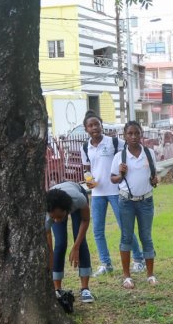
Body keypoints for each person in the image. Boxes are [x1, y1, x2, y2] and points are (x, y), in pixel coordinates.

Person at [80, 110, 145, 277]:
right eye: (90, 125)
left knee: (125, 227)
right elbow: (87, 169)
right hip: (97, 193)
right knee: (98, 230)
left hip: (116, 191)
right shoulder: (85, 147)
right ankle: (106, 263)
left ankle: (139, 260)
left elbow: (131, 153)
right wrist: (88, 179)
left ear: (102, 125)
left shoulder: (115, 142)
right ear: (86, 128)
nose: (94, 127)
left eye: (97, 124)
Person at [110, 121, 158, 289]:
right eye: (130, 134)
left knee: (146, 236)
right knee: (126, 237)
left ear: (141, 134)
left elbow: (153, 177)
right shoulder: (119, 157)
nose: (133, 137)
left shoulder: (149, 153)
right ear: (124, 136)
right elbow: (113, 179)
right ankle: (126, 276)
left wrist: (154, 180)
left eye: (136, 133)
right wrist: (121, 174)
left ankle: (150, 274)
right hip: (126, 202)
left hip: (146, 201)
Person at [46, 181, 94, 303]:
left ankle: (85, 288)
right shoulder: (47, 213)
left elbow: (85, 219)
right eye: (53, 217)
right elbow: (49, 247)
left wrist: (76, 246)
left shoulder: (78, 199)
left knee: (81, 242)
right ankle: (57, 289)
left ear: (67, 210)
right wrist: (50, 259)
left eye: (59, 217)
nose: (56, 221)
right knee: (60, 244)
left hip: (75, 191)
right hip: (56, 197)